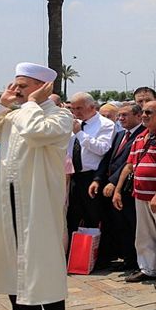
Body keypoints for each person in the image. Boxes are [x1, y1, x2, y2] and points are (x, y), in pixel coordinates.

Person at [0, 62, 73, 310]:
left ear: (44, 87)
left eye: (23, 86)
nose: (16, 90)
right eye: (15, 85)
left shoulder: (58, 116)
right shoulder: (13, 115)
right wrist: (2, 105)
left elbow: (36, 132)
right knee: (13, 255)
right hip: (10, 197)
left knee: (42, 259)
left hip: (38, 200)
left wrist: (31, 103)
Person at [114, 101, 156, 291]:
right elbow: (129, 166)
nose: (144, 115)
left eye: (149, 112)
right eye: (143, 112)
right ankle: (148, 268)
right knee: (143, 236)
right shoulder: (140, 138)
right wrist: (118, 190)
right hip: (140, 195)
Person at [89, 103, 144, 270]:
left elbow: (129, 163)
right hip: (111, 187)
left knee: (131, 226)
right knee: (117, 225)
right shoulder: (120, 135)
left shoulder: (142, 135)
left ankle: (134, 261)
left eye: (125, 115)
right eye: (120, 116)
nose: (121, 119)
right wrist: (98, 179)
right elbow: (107, 159)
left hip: (127, 189)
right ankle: (125, 258)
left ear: (138, 116)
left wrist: (113, 182)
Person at [66, 92, 115, 236]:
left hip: (93, 177)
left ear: (92, 107)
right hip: (74, 175)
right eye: (73, 109)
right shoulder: (76, 124)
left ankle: (98, 254)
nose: (76, 112)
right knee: (73, 215)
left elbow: (102, 149)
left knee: (94, 216)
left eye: (79, 108)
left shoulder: (105, 124)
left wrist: (80, 134)